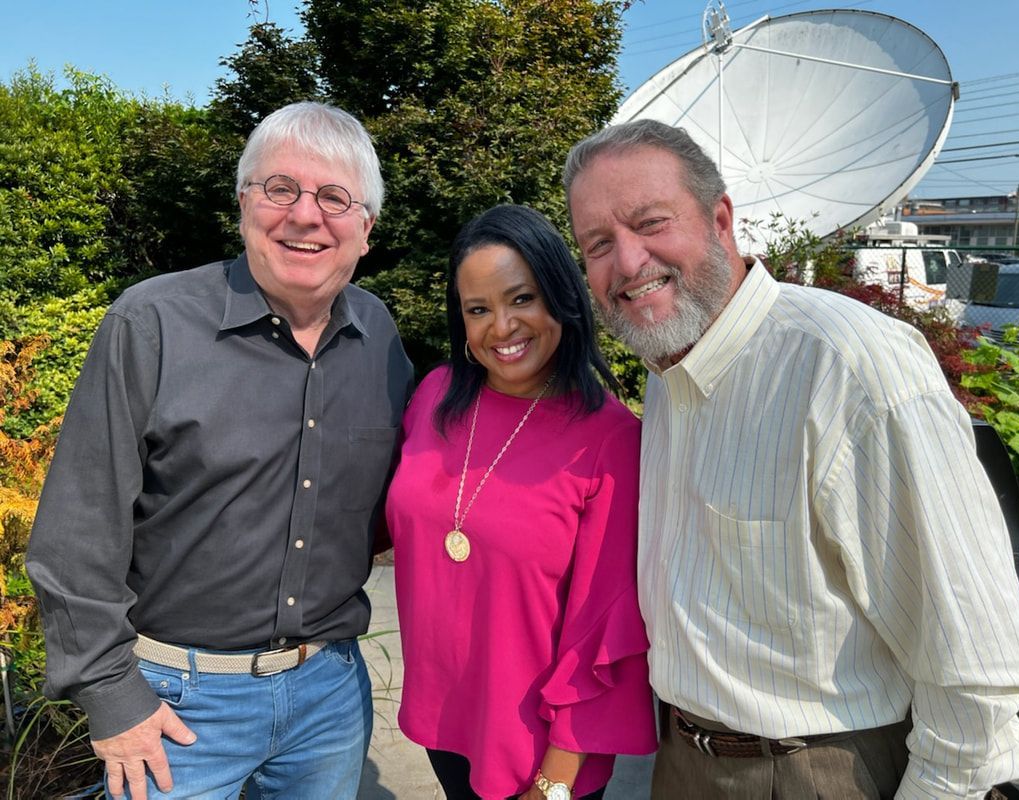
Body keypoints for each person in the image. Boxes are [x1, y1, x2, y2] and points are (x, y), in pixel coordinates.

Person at [563, 119, 1019, 799]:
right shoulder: (669, 362)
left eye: (650, 223)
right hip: (685, 759)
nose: (630, 261)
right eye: (599, 244)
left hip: (815, 772)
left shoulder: (850, 368)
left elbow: (973, 661)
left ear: (720, 219)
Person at [27, 101, 412, 800]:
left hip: (328, 696)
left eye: (333, 197)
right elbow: (76, 533)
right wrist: (112, 699)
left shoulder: (380, 337)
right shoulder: (149, 323)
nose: (304, 216)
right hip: (174, 707)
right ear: (242, 203)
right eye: (280, 189)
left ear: (366, 229)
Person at [384, 204, 656, 800]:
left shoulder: (609, 440)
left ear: (561, 297)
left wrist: (555, 781)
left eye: (522, 299)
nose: (501, 327)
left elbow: (601, 629)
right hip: (444, 723)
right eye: (478, 309)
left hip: (539, 749)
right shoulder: (434, 398)